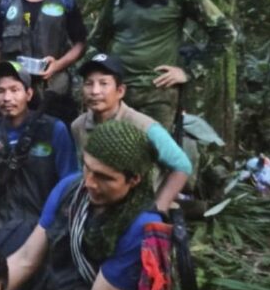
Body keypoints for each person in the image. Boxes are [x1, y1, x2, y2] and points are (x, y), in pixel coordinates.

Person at [0, 120, 166, 290]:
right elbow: (27, 259)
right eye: (87, 168)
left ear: (134, 179)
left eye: (104, 177)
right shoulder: (69, 190)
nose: (89, 183)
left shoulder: (140, 227)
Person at [88, 0, 236, 130]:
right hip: (117, 93)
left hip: (157, 95)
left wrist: (189, 72)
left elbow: (225, 33)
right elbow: (96, 41)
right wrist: (97, 81)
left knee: (151, 157)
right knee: (110, 155)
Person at [0, 61, 78, 260]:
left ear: (29, 94)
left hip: (40, 224)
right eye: (0, 91)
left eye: (14, 90)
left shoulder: (54, 129)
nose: (7, 98)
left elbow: (69, 182)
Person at [71, 53, 192, 212]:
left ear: (120, 91)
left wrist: (158, 207)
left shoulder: (143, 126)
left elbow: (182, 166)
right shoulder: (78, 125)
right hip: (98, 202)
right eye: (88, 84)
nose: (95, 91)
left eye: (103, 83)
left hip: (138, 206)